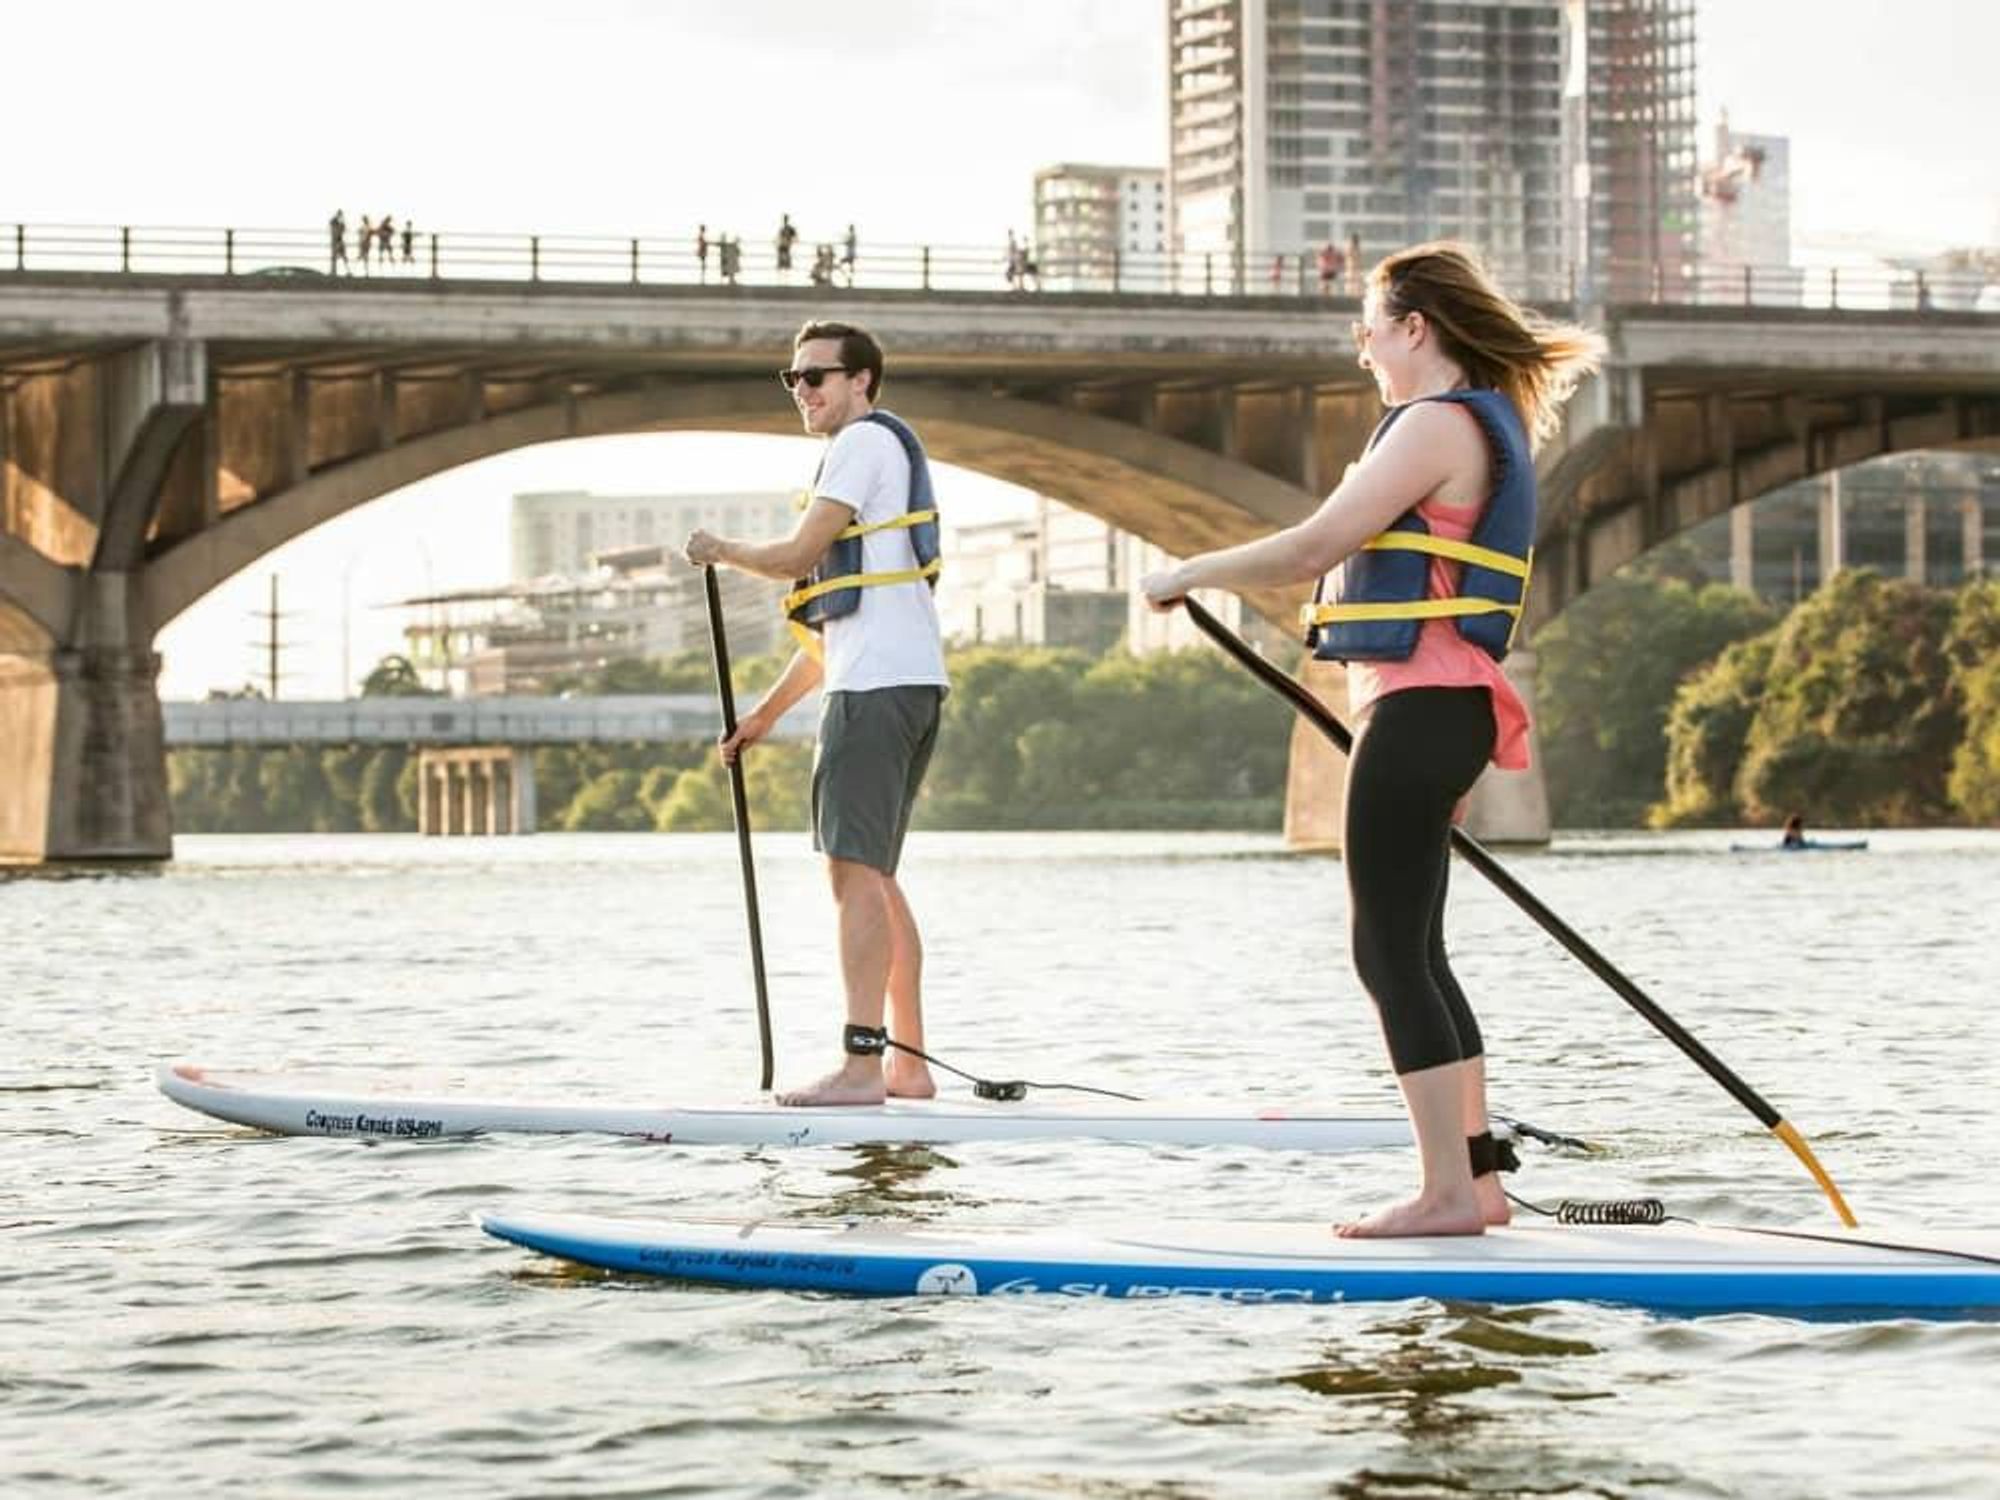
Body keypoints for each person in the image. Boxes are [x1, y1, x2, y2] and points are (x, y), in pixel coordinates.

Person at [1140, 242, 1603, 1237]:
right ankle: (1471, 1182)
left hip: (1422, 709)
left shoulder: (1433, 423)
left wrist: (1188, 571)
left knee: (1385, 950)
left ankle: (1444, 1191)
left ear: (1412, 329)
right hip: (1440, 709)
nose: (1361, 353)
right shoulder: (1479, 423)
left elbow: (1315, 545)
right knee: (1416, 948)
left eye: (1366, 331)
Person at [684, 320, 949, 1107]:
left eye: (817, 377)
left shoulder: (861, 444)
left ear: (862, 381)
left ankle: (863, 1066)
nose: (802, 391)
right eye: (792, 379)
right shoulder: (878, 455)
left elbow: (797, 557)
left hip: (877, 695)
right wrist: (760, 722)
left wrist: (720, 549)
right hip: (901, 683)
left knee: (852, 878)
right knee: (877, 878)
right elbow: (831, 638)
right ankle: (907, 1064)